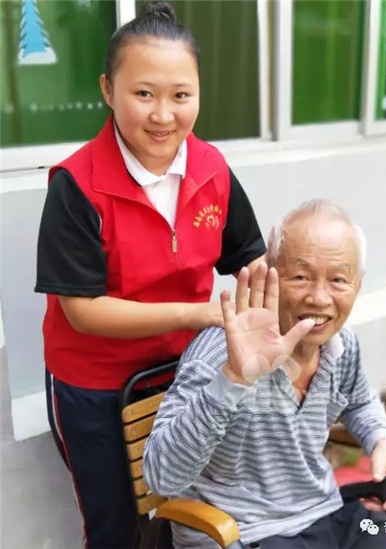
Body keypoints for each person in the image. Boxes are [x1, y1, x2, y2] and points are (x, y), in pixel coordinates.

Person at [34, 2, 266, 548]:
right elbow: (83, 310)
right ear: (108, 90)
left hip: (185, 375)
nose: (164, 115)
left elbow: (249, 258)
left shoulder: (212, 168)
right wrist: (201, 314)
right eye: (144, 94)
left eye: (181, 95)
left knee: (183, 510)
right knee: (116, 524)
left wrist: (306, 284)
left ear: (199, 95)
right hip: (96, 387)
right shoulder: (77, 184)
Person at [143, 200, 386, 549]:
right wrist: (233, 378)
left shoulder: (341, 344)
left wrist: (381, 441)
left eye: (338, 280)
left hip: (323, 515)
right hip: (243, 531)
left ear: (358, 285)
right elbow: (161, 477)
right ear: (268, 273)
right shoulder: (220, 350)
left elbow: (361, 401)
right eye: (301, 277)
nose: (320, 298)